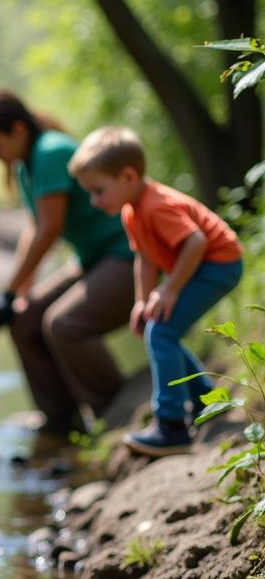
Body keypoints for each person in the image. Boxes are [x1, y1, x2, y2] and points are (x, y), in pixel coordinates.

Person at [0, 88, 135, 436]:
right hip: (93, 258)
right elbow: (35, 225)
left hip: (127, 255)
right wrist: (19, 293)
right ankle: (60, 420)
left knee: (64, 324)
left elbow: (50, 228)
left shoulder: (50, 152)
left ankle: (114, 410)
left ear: (18, 130)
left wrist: (7, 288)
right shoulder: (25, 164)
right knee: (25, 319)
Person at [68, 126, 243, 456]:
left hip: (220, 263)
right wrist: (142, 300)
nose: (94, 201)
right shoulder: (131, 211)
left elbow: (196, 242)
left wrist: (171, 290)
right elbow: (145, 258)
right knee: (161, 329)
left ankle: (172, 425)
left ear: (128, 176)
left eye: (98, 191)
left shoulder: (157, 205)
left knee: (161, 332)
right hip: (202, 264)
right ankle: (208, 400)